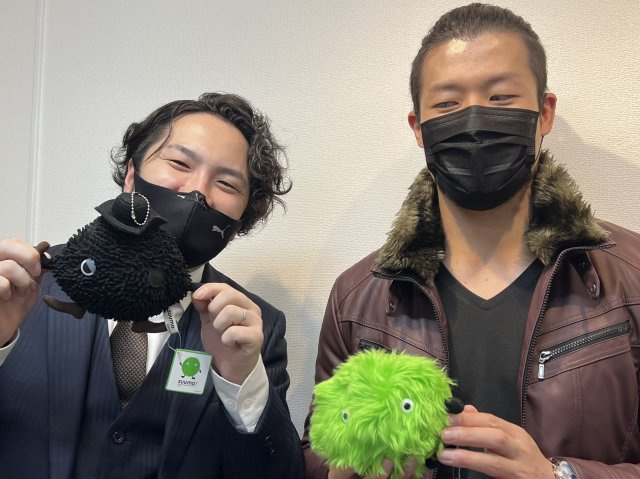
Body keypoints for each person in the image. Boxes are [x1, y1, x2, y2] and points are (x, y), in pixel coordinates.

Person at [302, 3, 640, 479]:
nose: (475, 120)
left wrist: (560, 476)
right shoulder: (358, 298)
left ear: (544, 113)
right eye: (447, 105)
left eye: (501, 97)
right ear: (419, 128)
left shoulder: (630, 277)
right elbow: (319, 451)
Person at [0, 92, 304, 478]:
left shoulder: (255, 329)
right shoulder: (28, 283)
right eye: (180, 163)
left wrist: (241, 381)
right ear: (132, 175)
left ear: (242, 217)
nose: (197, 193)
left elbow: (279, 472)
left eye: (227, 184)